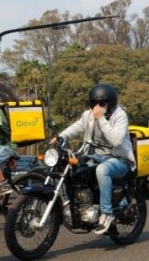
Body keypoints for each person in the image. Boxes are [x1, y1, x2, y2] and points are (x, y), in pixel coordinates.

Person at [51, 83, 135, 234]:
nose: (97, 107)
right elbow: (77, 127)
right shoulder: (88, 114)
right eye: (94, 103)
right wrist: (60, 136)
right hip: (94, 156)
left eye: (102, 103)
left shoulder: (120, 115)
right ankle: (77, 207)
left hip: (120, 160)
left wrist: (102, 119)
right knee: (70, 167)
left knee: (103, 170)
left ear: (110, 103)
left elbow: (116, 140)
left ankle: (107, 214)